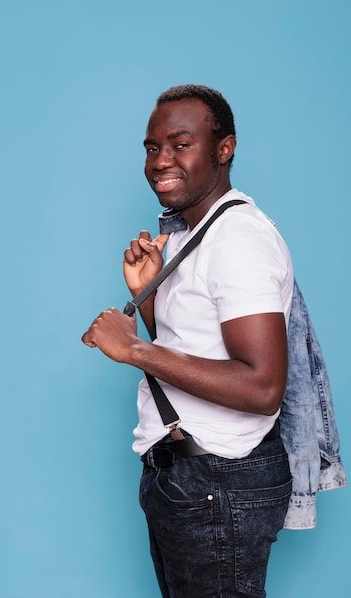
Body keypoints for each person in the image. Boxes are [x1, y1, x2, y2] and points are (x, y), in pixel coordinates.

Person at [82, 84, 294, 598]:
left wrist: (134, 349)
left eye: (181, 144)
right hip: (188, 480)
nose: (161, 161)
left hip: (218, 483)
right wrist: (148, 295)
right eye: (153, 148)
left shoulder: (237, 239)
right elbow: (196, 354)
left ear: (225, 149)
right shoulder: (189, 235)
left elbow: (262, 385)